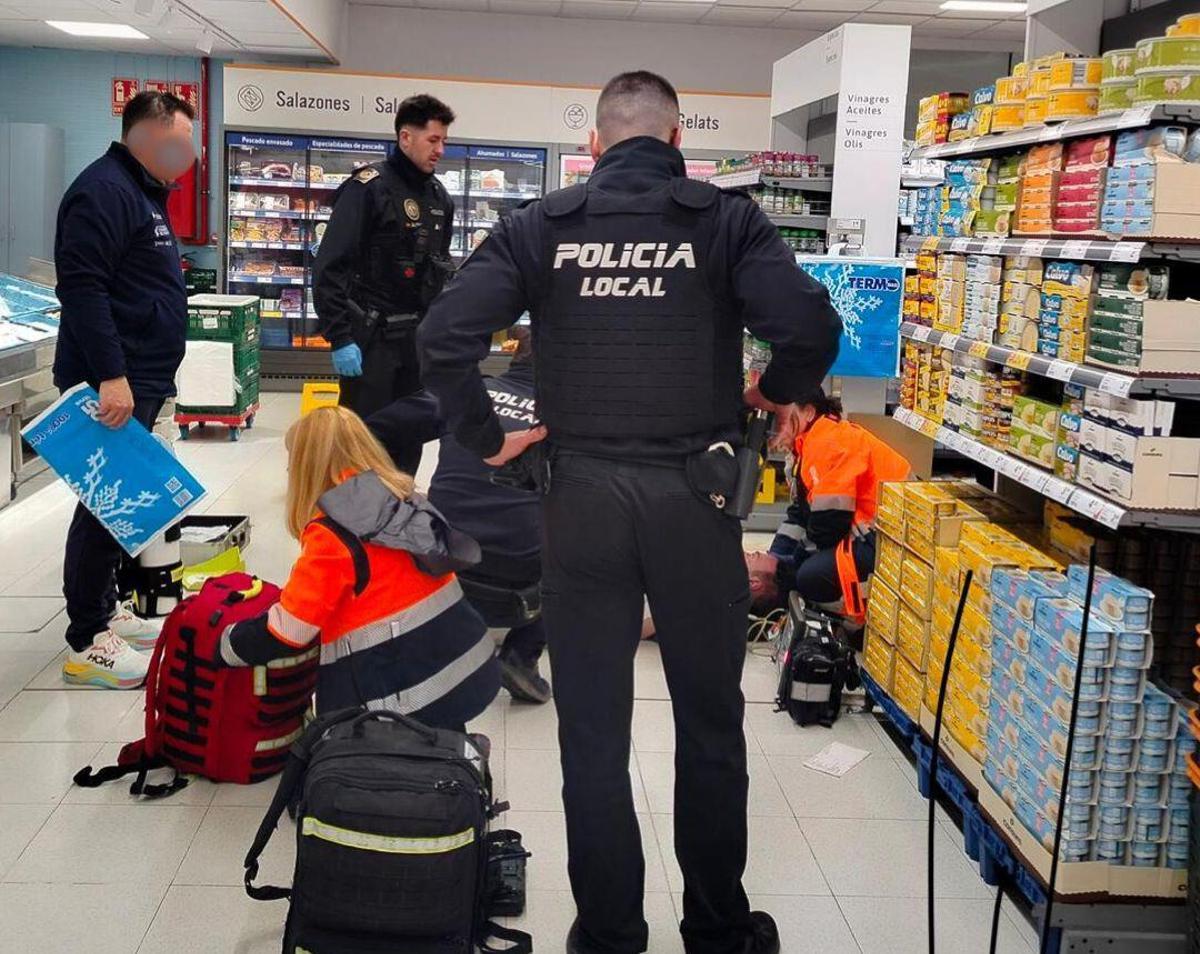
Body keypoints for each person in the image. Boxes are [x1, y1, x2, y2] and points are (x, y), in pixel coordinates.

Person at [417, 70, 841, 954]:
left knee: (594, 737)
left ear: (599, 148)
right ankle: (719, 930)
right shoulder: (723, 221)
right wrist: (777, 389)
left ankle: (609, 933)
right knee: (711, 725)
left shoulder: (541, 226)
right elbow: (810, 326)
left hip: (579, 509)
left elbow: (444, 337)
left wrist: (484, 434)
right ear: (678, 140)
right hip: (696, 503)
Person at [214, 406, 499, 727]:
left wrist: (224, 644)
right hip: (469, 671)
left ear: (304, 468)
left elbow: (288, 632)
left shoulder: (334, 535)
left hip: (401, 705)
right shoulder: (406, 498)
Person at [53, 90, 197, 689]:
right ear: (150, 133)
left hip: (140, 373)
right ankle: (87, 641)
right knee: (102, 505)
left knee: (120, 507)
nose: (189, 153)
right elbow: (82, 287)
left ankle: (106, 610)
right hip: (116, 377)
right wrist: (111, 376)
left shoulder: (140, 192)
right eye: (182, 140)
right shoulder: (103, 191)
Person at [367, 326, 550, 704]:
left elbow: (373, 429)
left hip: (440, 560)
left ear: (516, 355)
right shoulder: (569, 419)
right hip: (522, 577)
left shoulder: (466, 395)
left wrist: (396, 486)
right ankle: (521, 655)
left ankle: (437, 639)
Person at [313, 94, 457, 474]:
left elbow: (439, 269)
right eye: (433, 140)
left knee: (408, 441)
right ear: (406, 137)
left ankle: (399, 522)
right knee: (362, 445)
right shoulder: (368, 188)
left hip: (415, 343)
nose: (440, 149)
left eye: (444, 141)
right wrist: (340, 337)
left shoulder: (439, 197)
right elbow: (330, 266)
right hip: (370, 343)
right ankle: (356, 526)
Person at [746, 389, 913, 623]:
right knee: (800, 569)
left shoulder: (826, 442)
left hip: (895, 531)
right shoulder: (808, 445)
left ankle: (859, 623)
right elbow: (800, 514)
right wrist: (777, 557)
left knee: (812, 577)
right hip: (874, 524)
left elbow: (828, 525)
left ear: (809, 412)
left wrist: (788, 571)